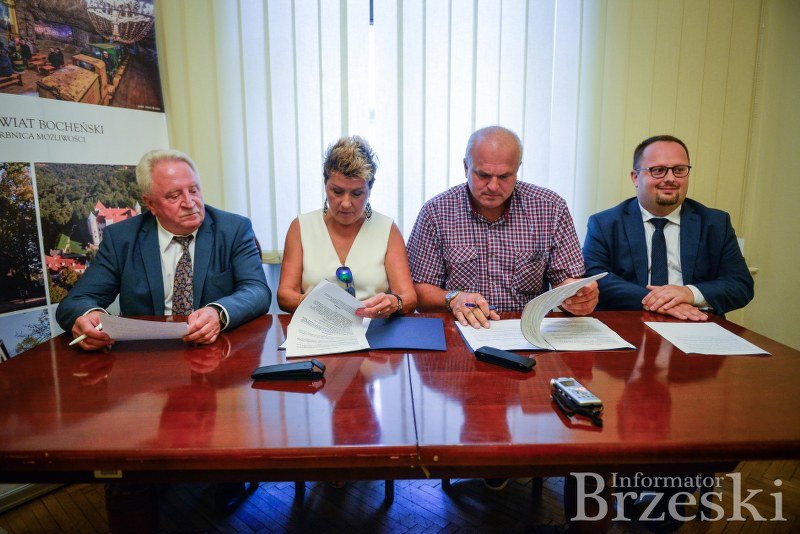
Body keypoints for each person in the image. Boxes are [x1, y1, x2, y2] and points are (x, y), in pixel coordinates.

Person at [56, 149, 272, 349]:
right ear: (150, 204)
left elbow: (257, 290)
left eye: (194, 190)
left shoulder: (233, 229)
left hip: (216, 348)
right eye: (174, 196)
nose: (190, 203)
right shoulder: (122, 238)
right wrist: (89, 316)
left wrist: (218, 312)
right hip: (148, 353)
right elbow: (75, 302)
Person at [406, 125, 598, 330]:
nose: (493, 186)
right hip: (459, 329)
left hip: (527, 330)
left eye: (504, 176)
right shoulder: (436, 212)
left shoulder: (550, 208)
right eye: (483, 175)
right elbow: (418, 291)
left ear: (517, 169)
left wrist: (578, 295)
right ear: (466, 167)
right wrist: (453, 298)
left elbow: (567, 281)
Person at [582, 134, 754, 319]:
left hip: (696, 321)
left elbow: (740, 284)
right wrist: (656, 301)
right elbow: (594, 278)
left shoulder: (715, 223)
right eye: (658, 170)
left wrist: (690, 293)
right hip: (631, 322)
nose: (671, 178)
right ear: (635, 177)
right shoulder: (605, 224)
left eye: (679, 170)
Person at [277, 135, 417, 318]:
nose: (345, 203)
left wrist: (394, 302)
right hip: (316, 324)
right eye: (337, 191)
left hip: (372, 326)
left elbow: (409, 298)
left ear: (370, 190)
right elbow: (284, 295)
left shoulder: (387, 229)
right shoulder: (301, 227)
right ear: (325, 184)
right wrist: (312, 302)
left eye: (357, 194)